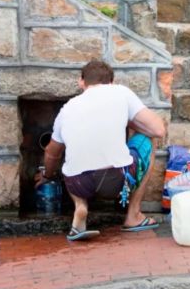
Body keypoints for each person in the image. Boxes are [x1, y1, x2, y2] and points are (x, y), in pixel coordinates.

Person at [39, 59, 167, 242]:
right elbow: (158, 130)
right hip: (117, 179)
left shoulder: (66, 109)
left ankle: (80, 206)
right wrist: (129, 120)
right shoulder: (121, 93)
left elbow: (52, 153)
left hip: (79, 184)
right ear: (112, 82)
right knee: (148, 140)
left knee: (69, 163)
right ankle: (133, 215)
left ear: (81, 82)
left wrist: (48, 175)